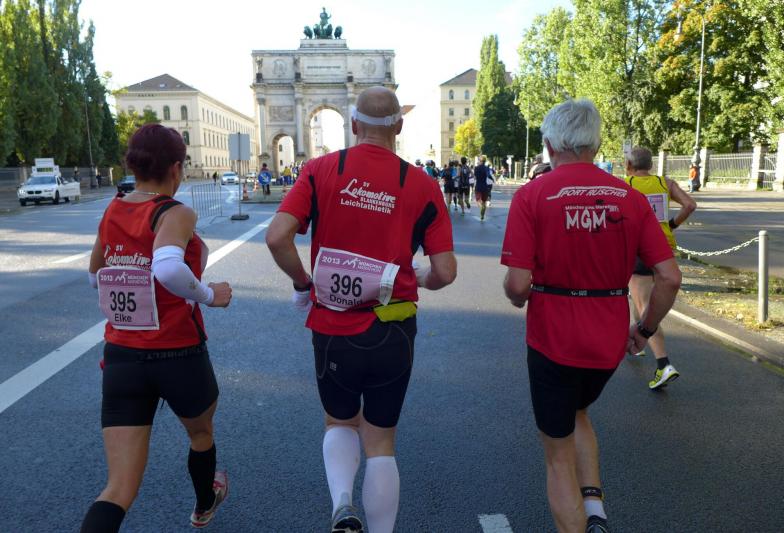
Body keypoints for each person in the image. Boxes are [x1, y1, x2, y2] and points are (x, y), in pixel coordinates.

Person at [266, 86, 456, 533]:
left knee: (339, 421)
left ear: (353, 125)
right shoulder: (422, 183)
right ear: (399, 126)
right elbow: (446, 272)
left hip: (333, 325)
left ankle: (342, 504)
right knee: (382, 440)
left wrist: (303, 282)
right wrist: (419, 279)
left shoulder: (320, 170)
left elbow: (276, 237)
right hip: (394, 327)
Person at [501, 99, 681, 533]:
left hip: (552, 339)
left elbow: (517, 285)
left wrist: (518, 296)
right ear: (596, 145)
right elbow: (670, 277)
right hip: (607, 340)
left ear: (549, 146)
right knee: (580, 410)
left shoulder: (532, 195)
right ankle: (595, 510)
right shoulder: (631, 198)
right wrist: (645, 329)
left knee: (557, 455)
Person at [81, 124, 233, 533]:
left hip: (122, 356)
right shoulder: (174, 212)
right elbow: (167, 268)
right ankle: (204, 504)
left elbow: (95, 276)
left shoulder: (113, 210)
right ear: (176, 168)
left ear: (132, 164)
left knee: (118, 488)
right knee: (200, 435)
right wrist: (209, 295)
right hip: (178, 350)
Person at [625, 146, 696, 389]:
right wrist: (671, 224)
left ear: (628, 166)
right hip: (664, 246)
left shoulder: (626, 185)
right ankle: (637, 347)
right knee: (639, 299)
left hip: (639, 248)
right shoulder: (664, 183)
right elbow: (690, 205)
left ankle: (663, 364)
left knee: (646, 305)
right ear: (651, 165)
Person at [473, 155, 490, 221]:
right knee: (484, 201)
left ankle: (481, 207)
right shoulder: (486, 168)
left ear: (480, 161)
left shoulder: (476, 168)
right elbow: (488, 175)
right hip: (485, 186)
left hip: (478, 186)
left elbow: (475, 177)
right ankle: (482, 215)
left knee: (478, 200)